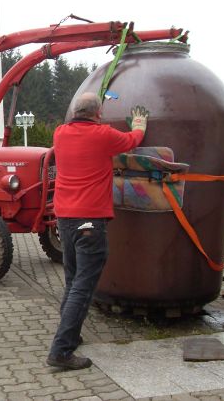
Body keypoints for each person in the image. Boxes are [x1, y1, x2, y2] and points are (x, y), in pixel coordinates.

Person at [46, 92, 149, 370]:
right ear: (97, 114)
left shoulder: (60, 134)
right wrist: (139, 124)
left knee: (72, 280)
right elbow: (131, 141)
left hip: (65, 218)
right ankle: (61, 350)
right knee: (83, 286)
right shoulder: (103, 135)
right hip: (90, 219)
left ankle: (70, 335)